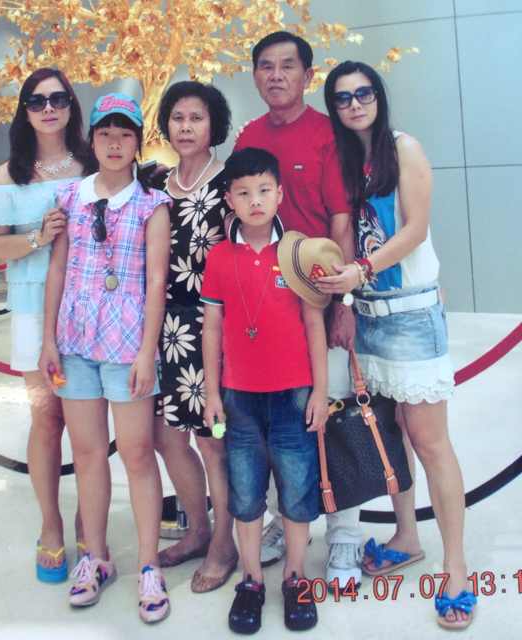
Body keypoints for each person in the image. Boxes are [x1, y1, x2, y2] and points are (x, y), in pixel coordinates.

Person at [319, 60, 476, 630]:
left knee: (431, 442)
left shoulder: (403, 148)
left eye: (363, 93)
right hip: (367, 318)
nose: (355, 104)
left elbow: (414, 229)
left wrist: (360, 270)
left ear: (378, 96)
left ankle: (456, 569)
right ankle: (407, 536)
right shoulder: (344, 160)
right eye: (342, 97)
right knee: (392, 437)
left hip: (410, 315)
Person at [234, 30, 363, 587]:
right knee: (272, 422)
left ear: (308, 76)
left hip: (319, 299)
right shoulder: (249, 136)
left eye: (288, 66)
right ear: (255, 76)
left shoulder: (327, 134)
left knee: (331, 416)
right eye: (266, 66)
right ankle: (280, 523)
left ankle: (345, 537)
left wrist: (344, 301)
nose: (276, 75)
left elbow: (342, 220)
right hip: (265, 309)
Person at [38, 93, 172, 623]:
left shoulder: (152, 205)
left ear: (138, 142)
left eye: (125, 134)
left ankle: (148, 565)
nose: (115, 143)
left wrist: (146, 352)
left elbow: (157, 282)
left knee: (137, 453)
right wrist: (49, 339)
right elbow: (57, 269)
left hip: (127, 344)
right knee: (89, 453)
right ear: (91, 140)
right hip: (74, 342)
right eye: (105, 134)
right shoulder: (70, 197)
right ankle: (95, 558)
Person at [202, 147, 328, 634]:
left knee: (297, 486)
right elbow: (213, 328)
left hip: (294, 392)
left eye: (263, 191)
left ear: (279, 194)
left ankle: (295, 576)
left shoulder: (298, 252)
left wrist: (320, 390)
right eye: (243, 193)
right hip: (239, 396)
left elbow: (314, 324)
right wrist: (212, 394)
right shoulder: (219, 257)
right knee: (246, 490)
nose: (254, 201)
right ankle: (251, 579)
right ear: (229, 201)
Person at [0, 68, 94, 584]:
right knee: (46, 418)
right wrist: (37, 238)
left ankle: (88, 520)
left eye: (58, 99)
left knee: (89, 423)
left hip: (90, 306)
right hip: (32, 307)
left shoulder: (94, 163)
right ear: (24, 110)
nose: (48, 108)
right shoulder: (11, 175)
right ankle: (51, 524)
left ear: (71, 105)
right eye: (36, 100)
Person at [152, 81, 239, 593]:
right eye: (178, 117)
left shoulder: (229, 183)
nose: (185, 127)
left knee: (213, 441)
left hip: (211, 329)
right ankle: (198, 529)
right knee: (168, 438)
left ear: (214, 125)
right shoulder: (155, 183)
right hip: (162, 329)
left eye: (196, 118)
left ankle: (224, 543)